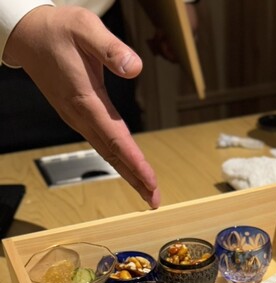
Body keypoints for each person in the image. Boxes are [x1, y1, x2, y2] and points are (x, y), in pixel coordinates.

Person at [0, 1, 198, 208]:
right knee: (20, 189)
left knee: (122, 171)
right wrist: (19, 18)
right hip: (8, 50)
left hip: (98, 38)